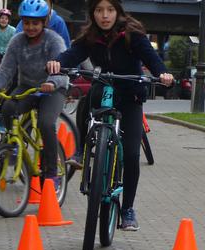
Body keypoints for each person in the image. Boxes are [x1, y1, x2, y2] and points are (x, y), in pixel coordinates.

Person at [47, 0, 174, 231]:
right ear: (92, 13)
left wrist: (163, 73)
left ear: (118, 11)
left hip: (130, 95)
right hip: (104, 89)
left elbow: (151, 58)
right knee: (87, 102)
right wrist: (58, 62)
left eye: (110, 10)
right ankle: (81, 152)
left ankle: (127, 209)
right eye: (99, 10)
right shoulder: (90, 36)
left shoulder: (131, 34)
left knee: (132, 154)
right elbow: (73, 53)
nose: (104, 16)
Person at [0, 0, 68, 184]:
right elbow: (6, 69)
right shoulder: (17, 41)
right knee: (7, 108)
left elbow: (63, 69)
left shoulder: (54, 40)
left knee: (46, 123)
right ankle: (15, 146)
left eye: (35, 23)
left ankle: (52, 173)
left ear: (44, 22)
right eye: (27, 22)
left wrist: (52, 82)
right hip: (27, 87)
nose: (30, 27)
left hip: (53, 88)